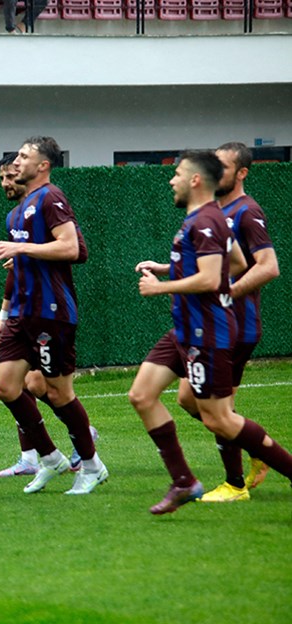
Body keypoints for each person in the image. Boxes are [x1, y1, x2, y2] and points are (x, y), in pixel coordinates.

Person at [128, 149, 292, 515]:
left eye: (177, 174)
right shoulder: (207, 217)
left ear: (195, 180)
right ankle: (184, 482)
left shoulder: (206, 220)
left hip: (206, 331)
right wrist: (176, 271)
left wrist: (161, 287)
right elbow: (235, 262)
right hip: (185, 328)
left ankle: (260, 468)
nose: (171, 180)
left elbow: (209, 277)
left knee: (220, 418)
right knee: (141, 395)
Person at [0, 137, 108, 496]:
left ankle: (91, 465)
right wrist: (4, 313)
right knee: (7, 387)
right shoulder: (17, 212)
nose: (17, 162)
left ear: (43, 166)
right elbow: (47, 255)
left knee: (58, 393)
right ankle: (51, 458)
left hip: (50, 311)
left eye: (24, 156)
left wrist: (21, 248)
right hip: (21, 313)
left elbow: (73, 248)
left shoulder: (51, 197)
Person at [173, 143, 280, 503]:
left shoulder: (248, 211)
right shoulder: (215, 210)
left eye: (224, 167)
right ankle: (256, 446)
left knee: (219, 411)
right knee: (189, 399)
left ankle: (235, 484)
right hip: (209, 321)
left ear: (242, 173)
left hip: (235, 324)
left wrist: (225, 291)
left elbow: (268, 266)